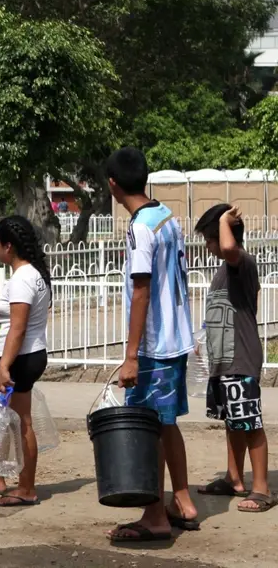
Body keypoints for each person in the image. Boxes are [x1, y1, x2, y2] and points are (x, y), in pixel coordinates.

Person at [104, 147, 197, 542]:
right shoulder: (165, 217)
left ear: (112, 185)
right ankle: (183, 501)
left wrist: (130, 356)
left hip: (154, 347)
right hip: (176, 341)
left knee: (146, 429)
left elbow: (140, 291)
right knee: (167, 424)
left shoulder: (141, 227)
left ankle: (155, 516)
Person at [194, 204, 274, 512]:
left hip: (241, 358)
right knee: (233, 421)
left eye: (209, 239)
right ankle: (234, 478)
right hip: (225, 359)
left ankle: (263, 489)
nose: (208, 246)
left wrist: (226, 220)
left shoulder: (242, 261)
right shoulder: (225, 271)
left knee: (249, 422)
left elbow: (229, 247)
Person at [0, 215, 51, 507]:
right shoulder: (30, 274)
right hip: (19, 358)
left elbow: (18, 327)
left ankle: (27, 487)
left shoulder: (24, 278)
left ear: (9, 246)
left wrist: (4, 366)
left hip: (19, 360)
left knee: (21, 422)